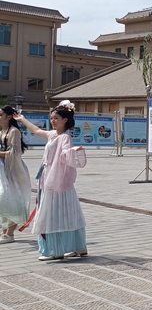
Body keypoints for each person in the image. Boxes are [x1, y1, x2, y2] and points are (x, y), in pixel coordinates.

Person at [15, 100, 88, 261]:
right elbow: (36, 130)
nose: (53, 120)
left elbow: (66, 153)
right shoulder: (54, 134)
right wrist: (22, 119)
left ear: (65, 120)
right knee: (66, 212)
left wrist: (73, 152)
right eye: (52, 118)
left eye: (56, 118)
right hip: (49, 176)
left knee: (53, 214)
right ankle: (76, 247)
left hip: (57, 180)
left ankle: (56, 250)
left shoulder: (65, 137)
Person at [0, 106, 32, 243]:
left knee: (12, 199)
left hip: (13, 169)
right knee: (4, 199)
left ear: (9, 117)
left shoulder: (14, 131)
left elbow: (15, 153)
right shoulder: (2, 132)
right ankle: (4, 231)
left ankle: (10, 233)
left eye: (0, 114)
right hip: (3, 169)